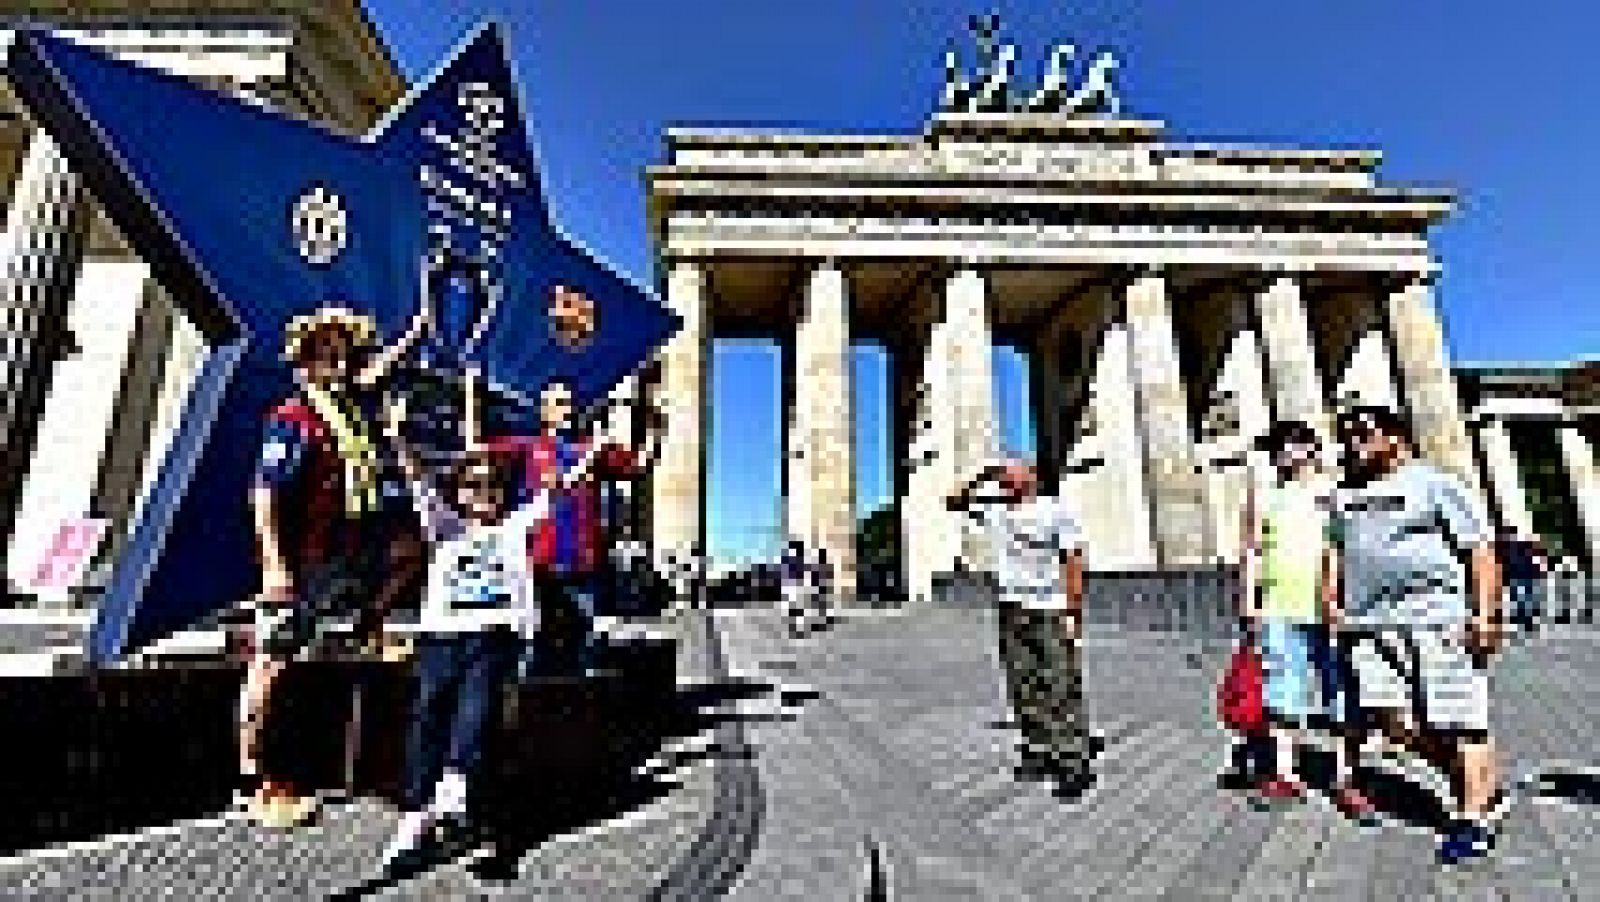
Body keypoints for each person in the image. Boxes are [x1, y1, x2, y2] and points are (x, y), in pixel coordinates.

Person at [239, 305, 426, 828]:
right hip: (301, 563)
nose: (337, 362)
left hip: (344, 557)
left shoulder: (350, 410)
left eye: (343, 353)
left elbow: (386, 366)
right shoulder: (293, 419)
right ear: (306, 363)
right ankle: (255, 780)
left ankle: (369, 620)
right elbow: (264, 494)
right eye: (325, 354)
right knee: (272, 664)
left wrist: (420, 323)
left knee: (412, 551)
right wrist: (276, 567)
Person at [376, 373, 546, 878]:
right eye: (473, 486)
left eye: (491, 487)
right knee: (428, 716)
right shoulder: (445, 527)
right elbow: (415, 478)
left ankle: (455, 791)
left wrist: (595, 446)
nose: (482, 494)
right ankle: (415, 815)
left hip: (490, 633)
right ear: (461, 493)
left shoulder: (514, 527)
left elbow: (562, 487)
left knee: (475, 712)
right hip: (441, 634)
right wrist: (397, 435)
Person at [1326, 406, 1504, 865]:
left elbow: (1479, 550)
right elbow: (1337, 550)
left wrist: (1486, 616)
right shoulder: (1346, 495)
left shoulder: (1435, 483)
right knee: (1391, 722)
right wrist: (1332, 603)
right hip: (1367, 624)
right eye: (1347, 435)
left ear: (1396, 435)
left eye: (1362, 432)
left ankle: (1472, 818)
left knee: (1459, 719)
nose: (1353, 442)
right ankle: (1479, 783)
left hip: (1435, 617)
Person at [483, 302, 664, 675]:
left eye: (570, 402)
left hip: (583, 563)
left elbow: (639, 466)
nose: (567, 408)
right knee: (532, 648)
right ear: (544, 411)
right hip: (537, 563)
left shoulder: (591, 450)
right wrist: (472, 395)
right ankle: (527, 721)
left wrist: (655, 429)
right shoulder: (527, 447)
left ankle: (574, 723)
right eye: (559, 403)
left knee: (586, 647)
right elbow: (476, 451)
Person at [946, 457, 1092, 798]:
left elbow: (1073, 560)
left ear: (1031, 477)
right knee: (1022, 683)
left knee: (1060, 683)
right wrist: (981, 474)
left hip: (1050, 609)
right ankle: (1038, 750)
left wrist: (1074, 612)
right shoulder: (996, 511)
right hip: (1012, 609)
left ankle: (1072, 761)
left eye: (1010, 471)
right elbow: (953, 502)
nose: (1003, 477)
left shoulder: (1054, 511)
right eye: (1002, 473)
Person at [1239, 421, 1352, 802]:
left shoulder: (1335, 491)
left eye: (1290, 445)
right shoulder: (1266, 496)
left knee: (1339, 690)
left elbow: (1347, 545)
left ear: (1311, 447)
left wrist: (1344, 598)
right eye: (1278, 448)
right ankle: (1286, 773)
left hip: (1330, 606)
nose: (1283, 454)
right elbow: (1252, 550)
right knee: (1283, 689)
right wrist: (1248, 601)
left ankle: (1344, 774)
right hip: (1278, 606)